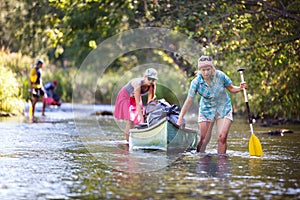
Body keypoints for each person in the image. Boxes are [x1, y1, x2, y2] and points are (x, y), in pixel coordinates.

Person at [177, 55, 247, 154]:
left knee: (222, 137)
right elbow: (189, 101)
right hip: (206, 110)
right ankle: (202, 160)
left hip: (223, 108)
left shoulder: (220, 76)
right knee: (204, 140)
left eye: (208, 69)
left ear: (212, 68)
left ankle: (222, 164)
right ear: (199, 70)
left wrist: (240, 88)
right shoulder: (196, 82)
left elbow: (231, 88)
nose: (206, 72)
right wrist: (180, 117)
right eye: (203, 70)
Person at [114, 68, 158, 141]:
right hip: (125, 96)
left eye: (153, 79)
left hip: (135, 97)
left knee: (137, 120)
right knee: (130, 120)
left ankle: (135, 139)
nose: (151, 81)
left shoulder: (152, 86)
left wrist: (147, 114)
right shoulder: (137, 84)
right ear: (144, 77)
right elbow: (138, 104)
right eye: (149, 78)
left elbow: (150, 101)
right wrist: (142, 120)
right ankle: (128, 142)